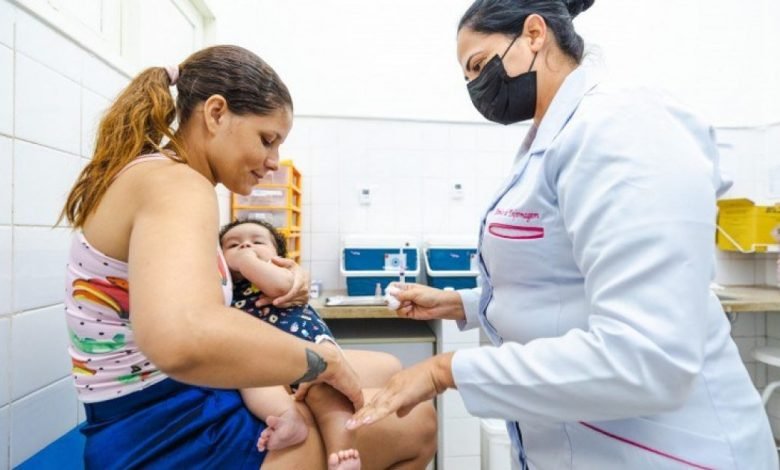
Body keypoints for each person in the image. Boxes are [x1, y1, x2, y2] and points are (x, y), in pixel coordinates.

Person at [347, 1, 779, 469]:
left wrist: (444, 370)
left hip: (672, 453)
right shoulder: (552, 139)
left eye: (478, 65)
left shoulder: (620, 128)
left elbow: (647, 357)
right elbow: (562, 281)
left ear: (534, 35)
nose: (474, 86)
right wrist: (462, 304)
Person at [61, 44, 436, 469]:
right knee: (417, 420)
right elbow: (181, 336)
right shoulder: (178, 184)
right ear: (216, 113)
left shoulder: (155, 174)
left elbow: (175, 296)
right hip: (165, 431)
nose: (273, 161)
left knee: (388, 371)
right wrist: (320, 361)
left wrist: (277, 277)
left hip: (155, 410)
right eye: (267, 140)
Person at [220, 218, 384, 470]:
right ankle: (288, 419)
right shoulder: (225, 287)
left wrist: (246, 261)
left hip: (309, 352)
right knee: (251, 382)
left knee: (327, 395)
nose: (245, 247)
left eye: (257, 242)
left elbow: (278, 286)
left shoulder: (282, 274)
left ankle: (342, 452)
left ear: (279, 256)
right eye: (233, 245)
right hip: (262, 359)